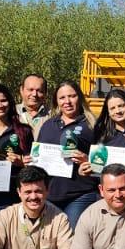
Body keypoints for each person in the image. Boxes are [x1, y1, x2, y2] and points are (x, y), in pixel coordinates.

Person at [37, 81, 100, 227]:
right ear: (56, 101)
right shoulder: (48, 125)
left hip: (79, 194)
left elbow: (102, 163)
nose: (67, 101)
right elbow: (39, 157)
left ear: (79, 98)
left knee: (73, 240)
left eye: (72, 96)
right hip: (50, 194)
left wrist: (86, 160)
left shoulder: (92, 125)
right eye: (62, 98)